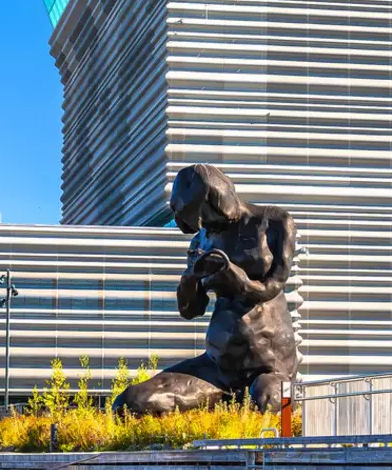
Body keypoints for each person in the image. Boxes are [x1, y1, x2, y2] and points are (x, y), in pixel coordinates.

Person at [116, 165, 298, 415]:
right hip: (218, 366)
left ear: (216, 200)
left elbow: (272, 287)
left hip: (270, 364)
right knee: (133, 401)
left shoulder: (274, 222)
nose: (204, 227)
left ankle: (266, 430)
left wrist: (232, 274)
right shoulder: (201, 240)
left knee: (268, 401)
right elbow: (190, 310)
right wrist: (191, 278)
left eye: (204, 217)